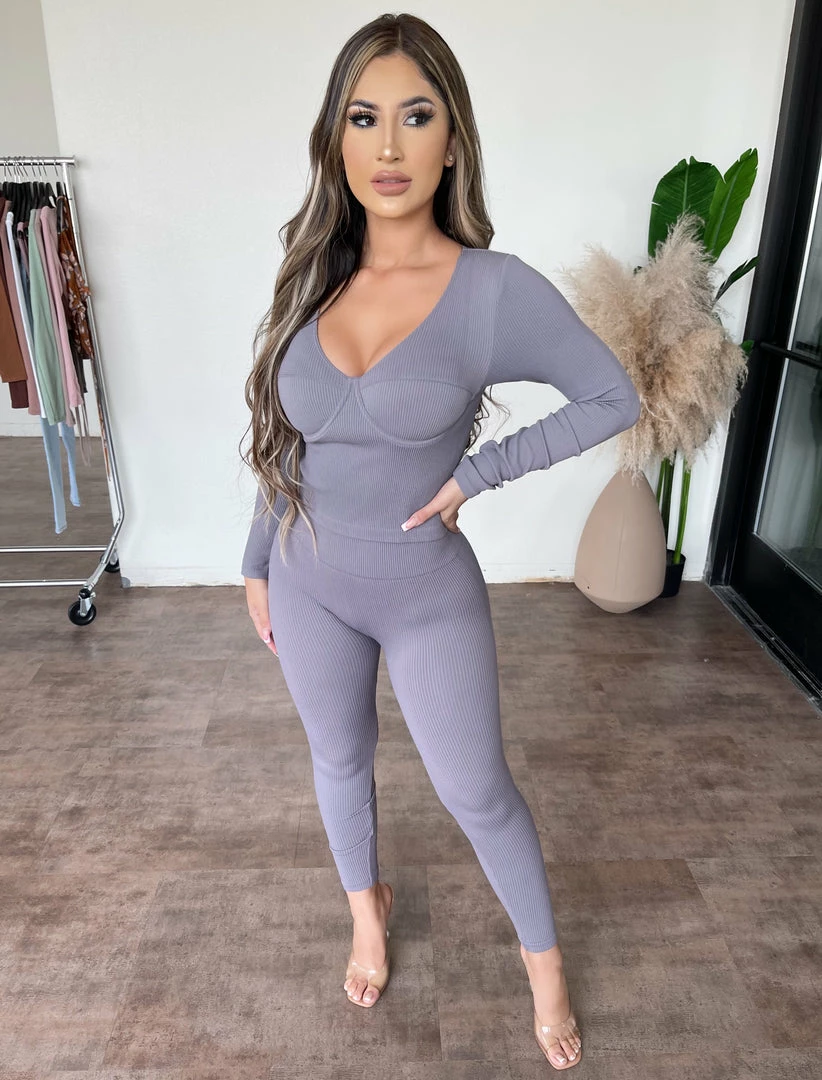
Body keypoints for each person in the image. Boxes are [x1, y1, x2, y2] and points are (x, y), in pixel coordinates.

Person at [240, 12, 640, 1071]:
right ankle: (366, 914)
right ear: (335, 138)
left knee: (476, 791)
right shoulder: (314, 275)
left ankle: (545, 969)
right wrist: (254, 558)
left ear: (452, 140)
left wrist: (480, 472)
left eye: (415, 118)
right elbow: (289, 439)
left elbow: (613, 395)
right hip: (306, 575)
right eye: (362, 118)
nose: (387, 146)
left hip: (423, 591)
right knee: (338, 759)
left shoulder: (492, 291)